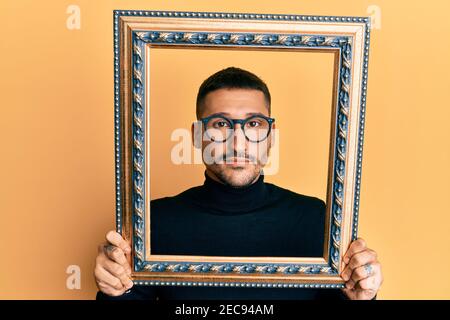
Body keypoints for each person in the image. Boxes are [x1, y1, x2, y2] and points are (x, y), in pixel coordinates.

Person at [95, 67, 383, 300]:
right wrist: (115, 290)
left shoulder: (316, 220)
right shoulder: (152, 222)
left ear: (271, 136)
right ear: (197, 135)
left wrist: (362, 298)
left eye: (254, 124)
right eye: (221, 124)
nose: (238, 140)